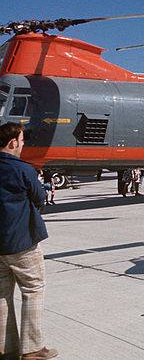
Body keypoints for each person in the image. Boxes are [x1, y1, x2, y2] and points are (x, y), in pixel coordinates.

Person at [0, 123, 58, 360]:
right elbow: (39, 197)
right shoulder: (22, 169)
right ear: (13, 142)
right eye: (22, 141)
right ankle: (32, 349)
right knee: (33, 289)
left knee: (2, 295)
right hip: (22, 242)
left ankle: (6, 349)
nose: (23, 145)